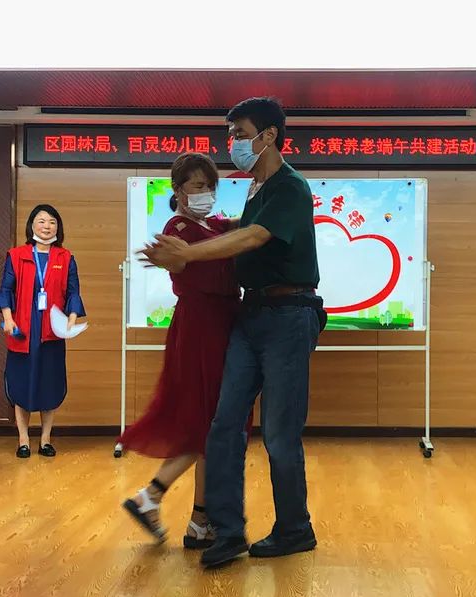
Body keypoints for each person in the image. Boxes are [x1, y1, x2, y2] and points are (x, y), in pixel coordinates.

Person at [139, 97, 325, 568]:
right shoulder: (256, 191)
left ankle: (294, 529)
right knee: (223, 425)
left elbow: (253, 236)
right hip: (251, 314)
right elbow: (236, 228)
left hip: (288, 314)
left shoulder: (291, 186)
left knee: (279, 433)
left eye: (240, 134)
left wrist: (186, 253)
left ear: (269, 135)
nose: (233, 143)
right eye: (232, 135)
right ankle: (224, 530)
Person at [119, 153, 241, 549]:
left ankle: (198, 521)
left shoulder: (210, 225)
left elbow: (238, 226)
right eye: (197, 186)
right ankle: (153, 496)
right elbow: (214, 266)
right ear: (178, 190)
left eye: (210, 186)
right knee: (210, 425)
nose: (206, 193)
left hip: (220, 324)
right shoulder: (178, 228)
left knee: (211, 424)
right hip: (202, 327)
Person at [0, 204, 86, 458]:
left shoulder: (65, 258)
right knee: (22, 384)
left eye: (52, 222)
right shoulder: (16, 255)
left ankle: (45, 439)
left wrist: (71, 318)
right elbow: (6, 290)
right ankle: (23, 440)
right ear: (32, 225)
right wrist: (8, 319)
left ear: (58, 227)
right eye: (42, 221)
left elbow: (73, 292)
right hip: (23, 330)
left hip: (51, 332)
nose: (47, 226)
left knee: (49, 384)